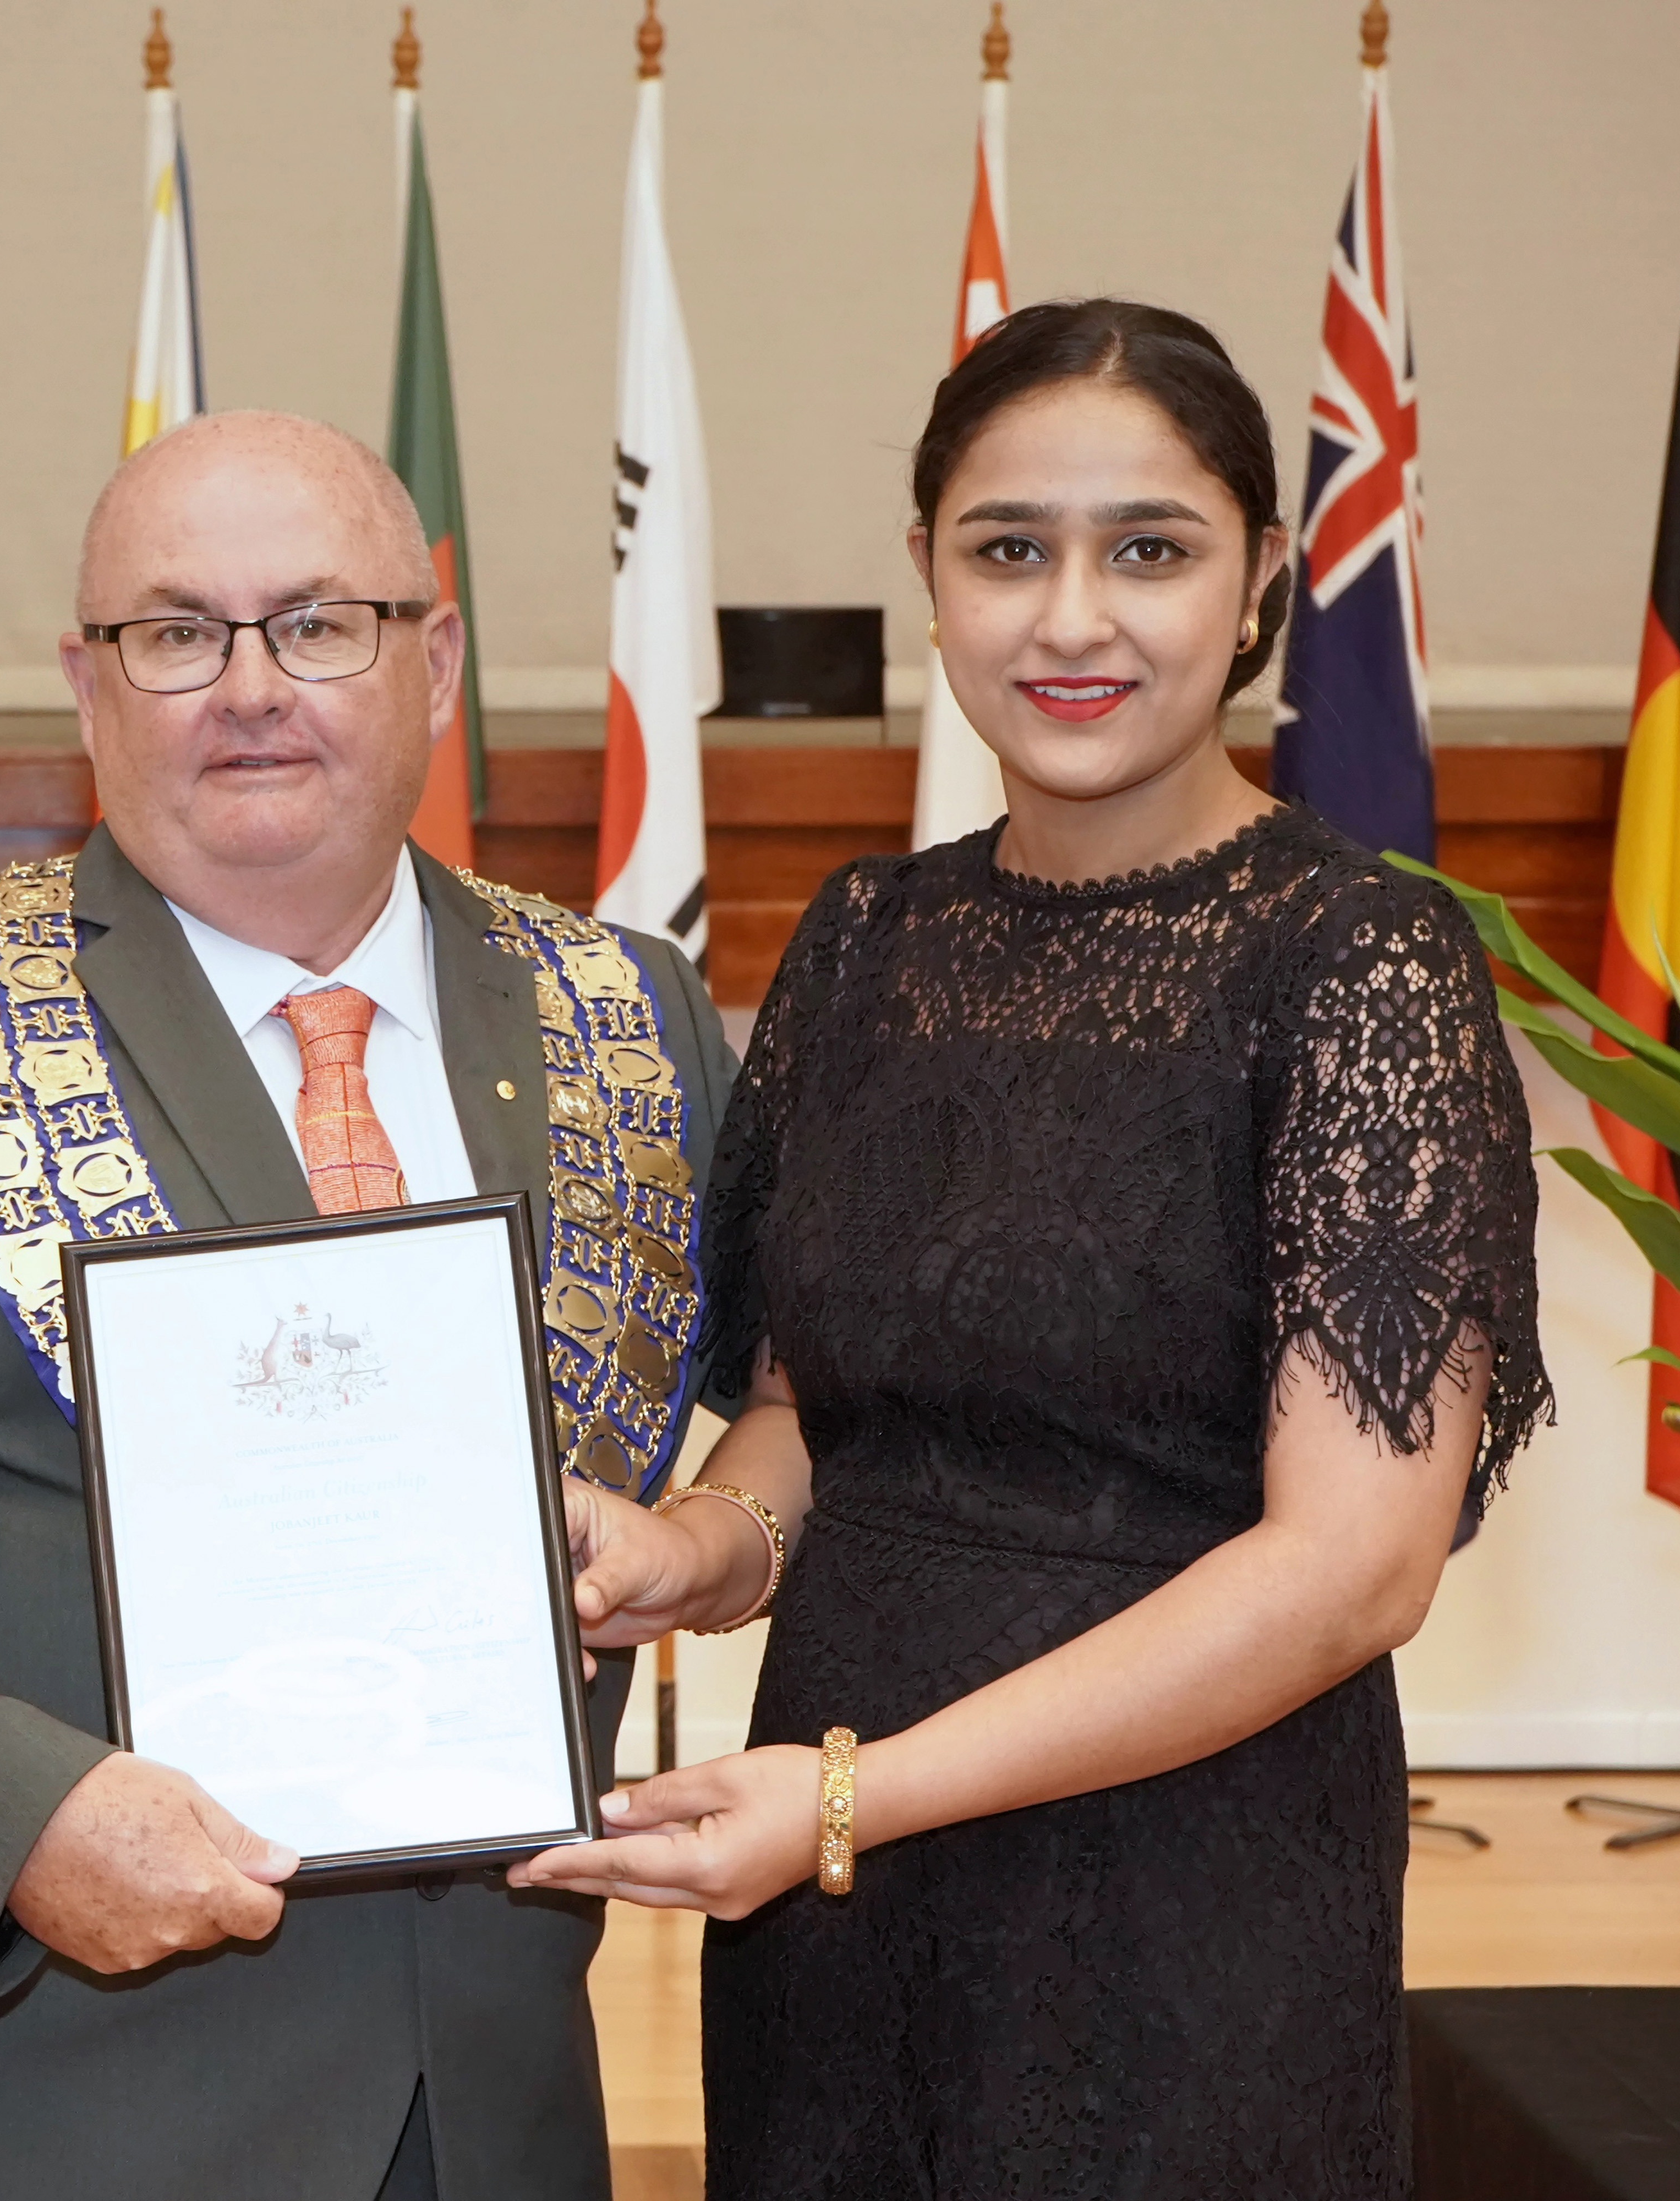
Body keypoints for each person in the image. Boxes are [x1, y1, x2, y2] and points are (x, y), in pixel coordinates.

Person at [0, 409, 739, 2200]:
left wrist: (722, 1538)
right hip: (64, 2101)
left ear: (433, 659)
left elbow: (827, 1395)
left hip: (504, 2110)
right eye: (174, 633)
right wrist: (17, 1820)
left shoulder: (627, 1014)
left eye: (318, 623)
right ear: (88, 686)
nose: (248, 687)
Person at [511, 299, 1552, 2197]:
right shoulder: (860, 939)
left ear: (1257, 587)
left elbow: (1350, 1572)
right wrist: (690, 1547)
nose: (1073, 619)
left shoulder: (1359, 964)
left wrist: (850, 1796)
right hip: (830, 1909)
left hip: (1183, 1897)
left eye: (1148, 549)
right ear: (928, 578)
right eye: (1011, 551)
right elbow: (814, 1407)